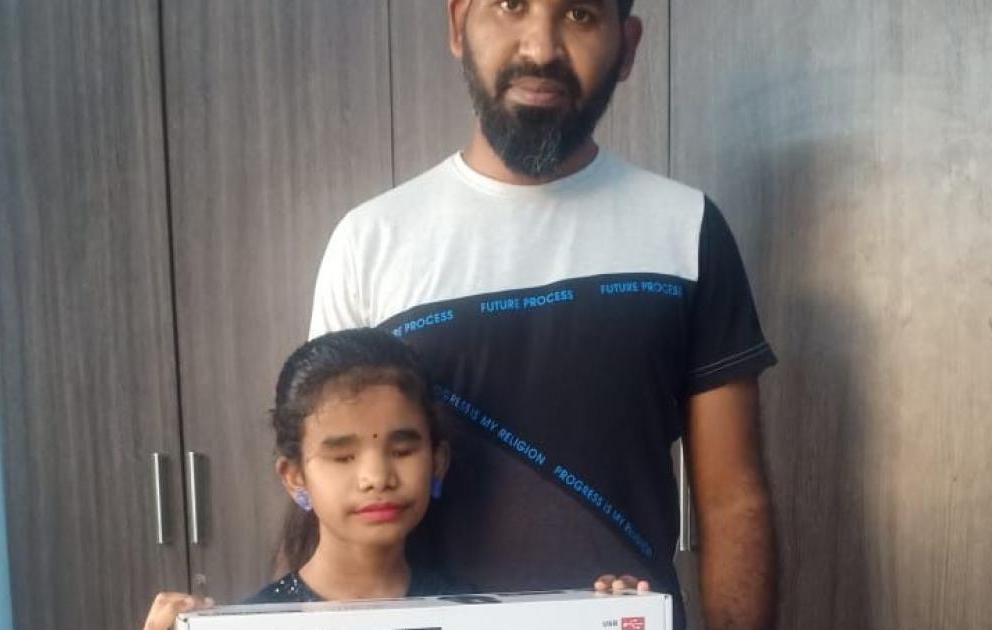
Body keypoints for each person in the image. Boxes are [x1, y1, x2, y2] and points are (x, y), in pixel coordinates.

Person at [307, 1, 778, 629]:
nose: (541, 47)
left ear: (627, 45)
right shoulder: (370, 242)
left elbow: (732, 500)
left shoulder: (686, 229)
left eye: (579, 14)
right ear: (458, 25)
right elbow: (329, 496)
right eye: (510, 5)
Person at [141, 328, 646, 630]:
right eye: (342, 457)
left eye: (402, 450)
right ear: (295, 476)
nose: (376, 477)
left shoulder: (477, 614)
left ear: (437, 462)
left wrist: (613, 620)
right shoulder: (258, 622)